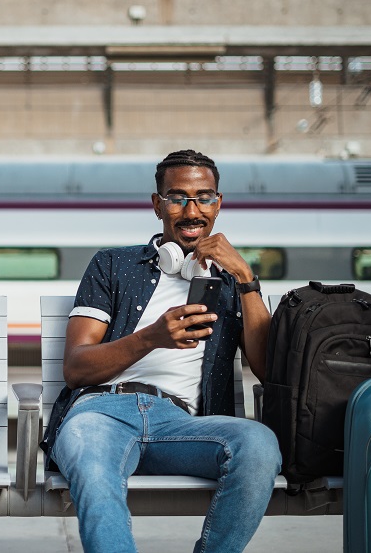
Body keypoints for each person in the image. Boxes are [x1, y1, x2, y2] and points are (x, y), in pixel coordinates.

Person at [41, 149, 281, 553]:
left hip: (183, 425)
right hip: (101, 413)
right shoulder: (113, 265)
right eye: (177, 197)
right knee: (94, 471)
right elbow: (76, 369)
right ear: (157, 205)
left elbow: (267, 367)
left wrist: (245, 277)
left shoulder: (233, 281)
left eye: (204, 197)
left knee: (258, 444)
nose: (192, 210)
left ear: (218, 204)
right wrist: (151, 337)